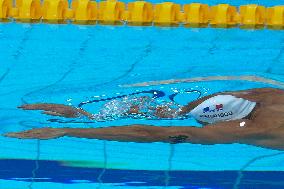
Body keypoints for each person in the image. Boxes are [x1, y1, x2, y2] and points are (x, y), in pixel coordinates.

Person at [4, 88, 284, 150]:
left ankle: (82, 119)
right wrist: (86, 118)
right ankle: (85, 117)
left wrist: (68, 132)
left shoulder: (245, 129)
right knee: (176, 114)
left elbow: (150, 134)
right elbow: (184, 112)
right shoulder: (267, 94)